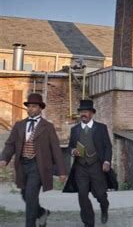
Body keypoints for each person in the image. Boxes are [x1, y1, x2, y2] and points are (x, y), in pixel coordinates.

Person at [0, 93, 67, 227]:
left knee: (31, 196)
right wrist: (4, 158)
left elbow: (55, 149)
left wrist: (62, 171)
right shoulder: (19, 125)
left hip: (38, 166)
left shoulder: (47, 127)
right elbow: (10, 144)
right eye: (29, 106)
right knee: (25, 195)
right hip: (22, 165)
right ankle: (41, 212)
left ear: (40, 108)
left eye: (34, 106)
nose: (30, 109)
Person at [63, 100, 117, 227]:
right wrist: (73, 151)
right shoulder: (75, 130)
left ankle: (104, 208)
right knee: (82, 195)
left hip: (97, 166)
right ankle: (88, 222)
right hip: (81, 167)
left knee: (100, 194)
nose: (83, 114)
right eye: (81, 112)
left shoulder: (101, 128)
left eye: (86, 112)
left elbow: (107, 146)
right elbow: (70, 146)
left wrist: (107, 161)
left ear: (92, 113)